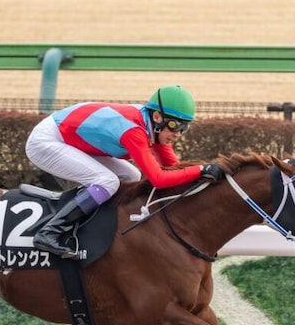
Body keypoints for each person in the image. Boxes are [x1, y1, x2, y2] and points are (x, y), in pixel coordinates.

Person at [25, 85, 224, 259]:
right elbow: (159, 179)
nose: (178, 134)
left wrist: (203, 177)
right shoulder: (135, 132)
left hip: (70, 140)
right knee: (107, 181)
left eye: (184, 128)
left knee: (131, 175)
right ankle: (50, 232)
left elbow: (174, 168)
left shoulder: (154, 129)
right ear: (157, 117)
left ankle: (99, 225)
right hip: (46, 142)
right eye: (175, 126)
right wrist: (200, 169)